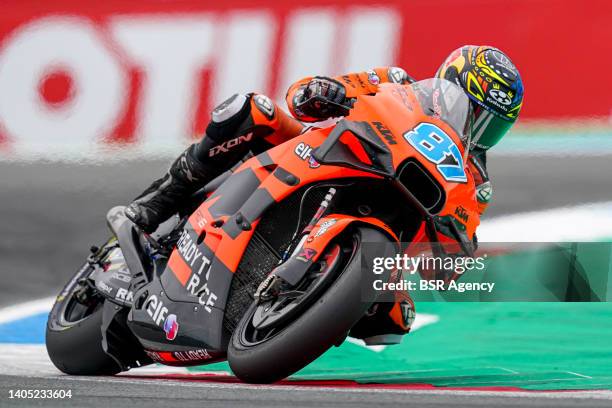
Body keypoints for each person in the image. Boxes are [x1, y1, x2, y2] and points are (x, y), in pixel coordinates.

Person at [125, 45, 524, 344]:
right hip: (322, 157)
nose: (479, 131)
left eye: (493, 125)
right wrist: (324, 90)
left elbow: (455, 248)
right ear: (446, 85)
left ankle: (304, 308)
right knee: (251, 111)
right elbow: (305, 95)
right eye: (474, 113)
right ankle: (157, 202)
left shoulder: (475, 180)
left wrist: (458, 251)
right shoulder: (397, 83)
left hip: (385, 226)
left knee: (395, 320)